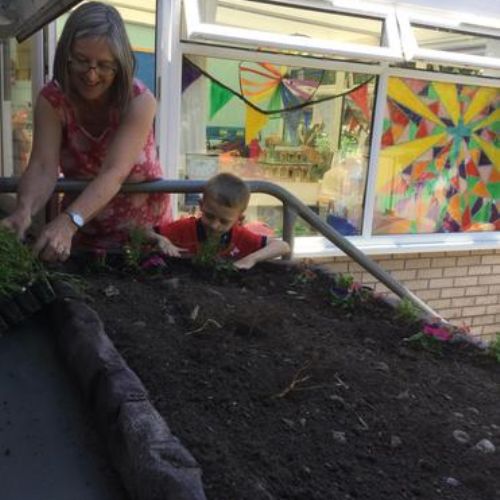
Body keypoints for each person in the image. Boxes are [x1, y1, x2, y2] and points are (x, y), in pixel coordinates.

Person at [1, 2, 169, 262]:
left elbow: (114, 173)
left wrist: (68, 221)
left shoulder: (139, 101)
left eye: (104, 65)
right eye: (81, 60)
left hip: (143, 236)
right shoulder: (53, 99)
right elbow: (43, 166)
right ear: (66, 53)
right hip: (80, 235)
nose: (91, 75)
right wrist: (25, 210)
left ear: (120, 64)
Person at [146, 173, 290, 270]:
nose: (215, 225)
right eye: (209, 216)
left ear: (239, 219)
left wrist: (251, 259)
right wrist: (161, 239)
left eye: (224, 221)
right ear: (201, 206)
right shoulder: (184, 228)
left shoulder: (240, 236)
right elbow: (141, 231)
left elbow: (282, 246)